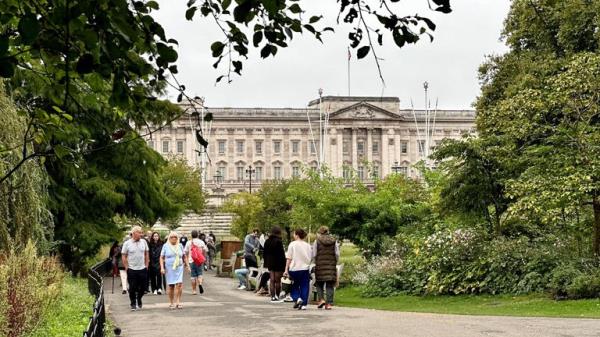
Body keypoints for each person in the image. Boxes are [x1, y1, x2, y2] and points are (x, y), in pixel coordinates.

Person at [121, 226, 149, 311]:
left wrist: (147, 264)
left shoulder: (144, 242)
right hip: (132, 268)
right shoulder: (127, 243)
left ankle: (139, 298)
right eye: (139, 232)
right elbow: (123, 255)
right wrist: (126, 267)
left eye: (141, 232)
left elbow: (146, 253)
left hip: (142, 268)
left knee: (144, 287)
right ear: (134, 233)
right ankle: (133, 303)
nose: (141, 234)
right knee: (132, 287)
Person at [283, 228, 312, 310]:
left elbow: (289, 258)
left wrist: (286, 270)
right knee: (304, 286)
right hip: (305, 268)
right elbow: (310, 257)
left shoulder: (292, 244)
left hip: (294, 268)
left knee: (294, 285)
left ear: (297, 235)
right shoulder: (308, 245)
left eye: (294, 234)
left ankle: (297, 298)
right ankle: (304, 304)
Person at [313, 226, 339, 310]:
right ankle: (329, 304)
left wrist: (315, 262)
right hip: (331, 265)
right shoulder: (334, 241)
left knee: (319, 283)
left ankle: (321, 300)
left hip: (320, 265)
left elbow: (314, 254)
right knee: (329, 285)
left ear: (320, 232)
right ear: (328, 232)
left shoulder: (317, 241)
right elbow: (337, 253)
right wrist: (335, 261)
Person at [161, 231, 188, 309]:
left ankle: (178, 301)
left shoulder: (180, 245)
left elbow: (184, 256)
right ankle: (171, 302)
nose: (173, 238)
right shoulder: (165, 246)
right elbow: (161, 257)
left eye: (175, 237)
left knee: (179, 284)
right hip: (169, 268)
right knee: (171, 285)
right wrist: (162, 267)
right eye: (172, 237)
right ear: (169, 238)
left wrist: (187, 265)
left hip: (179, 267)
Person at [263, 226, 286, 302]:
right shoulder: (279, 241)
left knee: (272, 280)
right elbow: (282, 254)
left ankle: (272, 297)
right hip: (278, 262)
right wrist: (284, 264)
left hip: (270, 262)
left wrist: (266, 262)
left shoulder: (267, 241)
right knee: (278, 280)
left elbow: (264, 253)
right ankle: (277, 296)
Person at [184, 230, 208, 295]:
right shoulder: (201, 242)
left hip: (191, 260)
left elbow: (185, 252)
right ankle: (200, 283)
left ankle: (194, 291)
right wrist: (203, 257)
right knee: (200, 274)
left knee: (193, 276)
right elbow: (205, 250)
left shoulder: (188, 242)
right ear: (197, 235)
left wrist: (186, 263)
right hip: (199, 260)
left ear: (191, 235)